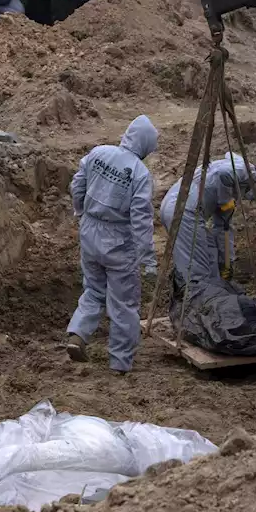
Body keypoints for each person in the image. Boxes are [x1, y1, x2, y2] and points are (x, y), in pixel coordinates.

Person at [65, 116, 159, 373]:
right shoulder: (140, 174)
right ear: (146, 146)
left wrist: (80, 211)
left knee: (94, 289)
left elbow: (77, 184)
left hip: (90, 230)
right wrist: (148, 260)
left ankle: (78, 333)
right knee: (123, 302)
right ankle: (120, 362)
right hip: (118, 241)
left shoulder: (99, 152)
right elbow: (141, 221)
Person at [160, 154, 256, 286]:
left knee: (210, 249)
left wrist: (227, 262)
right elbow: (223, 174)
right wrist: (225, 200)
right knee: (198, 269)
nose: (251, 197)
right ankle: (197, 299)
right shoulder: (246, 171)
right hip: (185, 210)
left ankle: (212, 287)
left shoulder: (231, 183)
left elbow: (223, 229)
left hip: (174, 204)